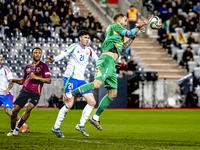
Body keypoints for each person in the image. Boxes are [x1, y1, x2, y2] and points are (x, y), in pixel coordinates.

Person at [63, 12, 147, 130]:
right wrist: (138, 26)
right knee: (97, 85)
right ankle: (69, 94)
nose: (126, 22)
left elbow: (123, 47)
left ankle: (95, 117)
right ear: (120, 19)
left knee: (113, 94)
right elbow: (128, 32)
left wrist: (134, 36)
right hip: (106, 60)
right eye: (125, 20)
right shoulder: (114, 26)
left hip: (112, 63)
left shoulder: (117, 33)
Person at [45, 30, 98, 137]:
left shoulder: (89, 50)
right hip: (71, 79)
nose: (87, 39)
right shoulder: (74, 47)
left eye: (88, 38)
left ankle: (81, 125)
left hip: (81, 81)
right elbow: (63, 54)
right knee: (69, 105)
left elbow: (98, 60)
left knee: (92, 102)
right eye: (85, 37)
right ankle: (56, 127)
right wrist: (54, 60)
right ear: (80, 38)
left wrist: (111, 64)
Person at [7, 47, 51, 136]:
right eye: (35, 52)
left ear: (41, 55)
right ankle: (12, 130)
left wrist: (36, 77)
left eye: (39, 53)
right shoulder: (28, 67)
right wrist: (15, 80)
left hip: (35, 93)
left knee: (29, 107)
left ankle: (17, 128)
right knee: (14, 111)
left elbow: (49, 80)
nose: (37, 54)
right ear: (32, 54)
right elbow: (23, 81)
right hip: (24, 91)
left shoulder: (44, 66)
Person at [0, 55, 28, 134]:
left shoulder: (6, 70)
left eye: (1, 59)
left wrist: (7, 89)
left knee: (9, 111)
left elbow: (11, 81)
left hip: (6, 94)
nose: (0, 61)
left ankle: (23, 124)